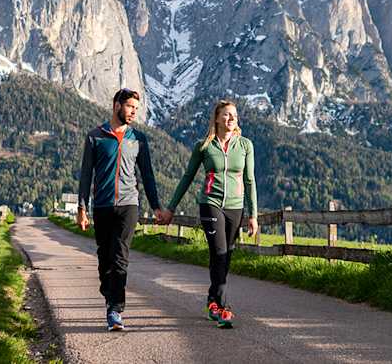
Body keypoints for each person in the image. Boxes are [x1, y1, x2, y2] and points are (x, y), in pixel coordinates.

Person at [77, 88, 171, 332]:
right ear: (116, 105)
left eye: (136, 109)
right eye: (129, 106)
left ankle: (115, 309)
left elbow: (147, 175)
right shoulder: (95, 137)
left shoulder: (138, 138)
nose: (133, 112)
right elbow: (86, 175)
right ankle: (109, 292)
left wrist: (156, 206)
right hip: (102, 205)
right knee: (104, 258)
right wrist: (81, 208)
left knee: (120, 257)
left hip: (129, 205)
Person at [164, 99, 257, 328]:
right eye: (226, 115)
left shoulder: (245, 145)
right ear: (216, 118)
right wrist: (171, 207)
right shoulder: (204, 146)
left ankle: (212, 301)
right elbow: (187, 177)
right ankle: (224, 308)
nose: (231, 118)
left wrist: (253, 214)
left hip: (236, 207)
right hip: (210, 203)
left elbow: (250, 180)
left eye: (234, 115)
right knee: (219, 251)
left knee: (226, 256)